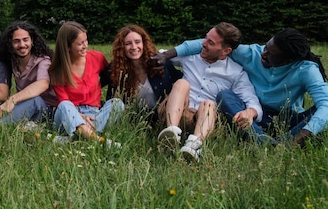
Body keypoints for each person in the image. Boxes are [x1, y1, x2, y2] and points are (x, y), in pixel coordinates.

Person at [154, 27, 328, 147]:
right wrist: (167, 55)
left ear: (288, 61)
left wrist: (300, 136)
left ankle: (282, 143)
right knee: (225, 95)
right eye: (266, 47)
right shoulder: (252, 53)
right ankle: (262, 142)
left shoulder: (306, 70)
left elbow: (325, 105)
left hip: (286, 119)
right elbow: (212, 43)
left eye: (270, 55)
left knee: (319, 114)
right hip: (248, 118)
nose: (263, 54)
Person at [155, 22, 262, 162]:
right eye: (205, 38)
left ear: (226, 51)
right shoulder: (190, 57)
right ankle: (171, 132)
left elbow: (252, 101)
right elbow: (160, 54)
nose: (203, 44)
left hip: (203, 122)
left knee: (209, 104)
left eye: (210, 42)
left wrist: (250, 112)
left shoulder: (236, 72)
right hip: (176, 111)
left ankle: (193, 146)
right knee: (182, 83)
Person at [48, 21, 124, 144]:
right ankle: (98, 141)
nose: (85, 45)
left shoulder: (96, 57)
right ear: (67, 47)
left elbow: (110, 75)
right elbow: (63, 101)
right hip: (69, 116)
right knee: (64, 105)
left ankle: (75, 139)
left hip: (94, 115)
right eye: (80, 43)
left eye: (86, 41)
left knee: (117, 104)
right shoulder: (58, 70)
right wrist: (80, 117)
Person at [103, 24, 181, 121]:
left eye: (137, 42)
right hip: (133, 123)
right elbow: (95, 85)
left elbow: (182, 83)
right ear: (122, 47)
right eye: (128, 43)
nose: (134, 47)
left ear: (144, 43)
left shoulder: (160, 63)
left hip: (162, 118)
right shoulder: (115, 70)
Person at [0, 21, 57, 126]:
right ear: (10, 43)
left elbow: (43, 84)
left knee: (35, 100)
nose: (22, 45)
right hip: (26, 107)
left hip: (48, 111)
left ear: (32, 41)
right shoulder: (12, 60)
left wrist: (13, 99)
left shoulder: (43, 61)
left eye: (25, 40)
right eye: (16, 41)